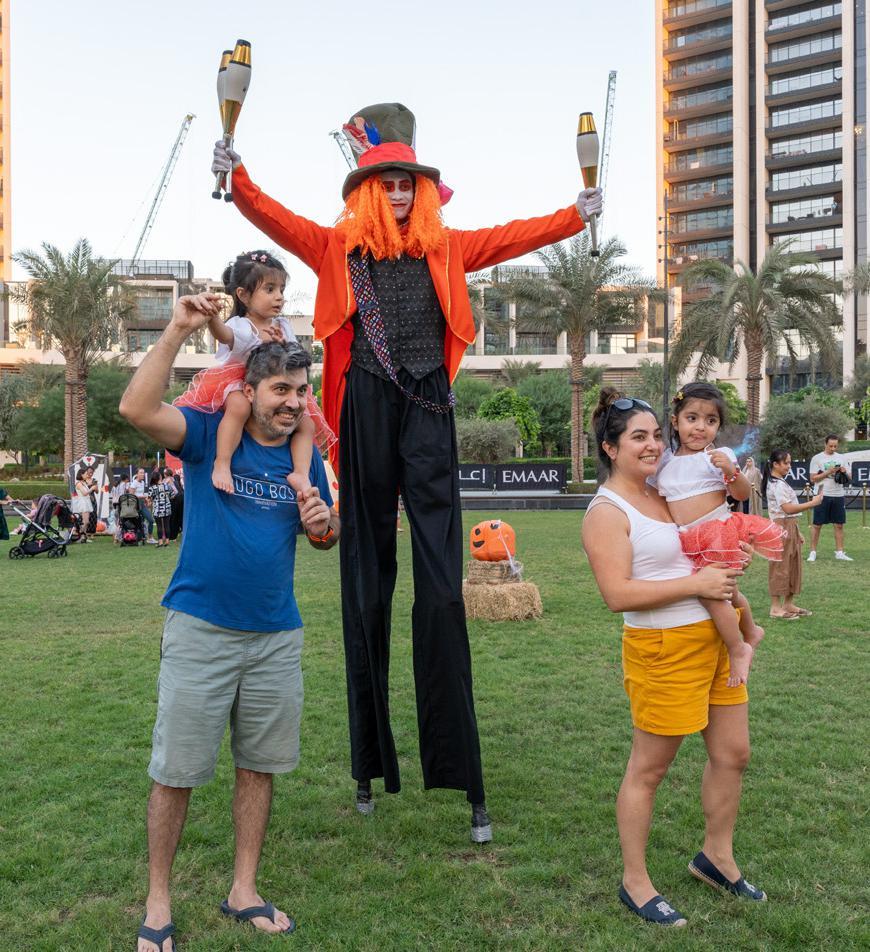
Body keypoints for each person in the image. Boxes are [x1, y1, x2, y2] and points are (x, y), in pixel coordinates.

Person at [212, 101, 603, 840]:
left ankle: (458, 771)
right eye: (384, 182)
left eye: (406, 183)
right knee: (366, 582)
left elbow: (513, 235)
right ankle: (369, 764)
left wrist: (574, 215)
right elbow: (275, 220)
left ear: (421, 192)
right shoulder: (336, 247)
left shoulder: (447, 248)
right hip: (364, 407)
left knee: (442, 587)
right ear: (365, 191)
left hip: (428, 408)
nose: (395, 193)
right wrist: (238, 178)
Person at [120, 293, 338, 952]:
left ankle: (244, 889)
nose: (293, 402)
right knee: (175, 771)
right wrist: (176, 331)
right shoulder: (210, 433)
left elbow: (325, 535)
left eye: (300, 391)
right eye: (280, 389)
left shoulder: (305, 460)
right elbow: (136, 409)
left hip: (276, 635)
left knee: (259, 767)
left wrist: (324, 525)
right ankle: (158, 900)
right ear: (251, 389)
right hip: (202, 629)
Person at [582, 388, 766, 929]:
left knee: (733, 754)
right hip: (663, 649)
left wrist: (730, 556)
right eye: (638, 437)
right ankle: (635, 882)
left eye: (656, 435)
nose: (653, 445)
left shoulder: (663, 491)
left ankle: (716, 857)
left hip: (713, 640)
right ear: (610, 448)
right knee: (650, 769)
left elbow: (703, 539)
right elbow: (616, 594)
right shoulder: (606, 511)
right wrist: (697, 583)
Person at [175, 250, 333, 499]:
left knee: (307, 423)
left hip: (275, 385)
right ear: (243, 295)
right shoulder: (242, 325)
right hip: (238, 382)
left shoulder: (283, 325)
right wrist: (212, 318)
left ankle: (301, 472)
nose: (279, 296)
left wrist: (282, 345)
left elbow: (294, 358)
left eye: (281, 290)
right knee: (239, 407)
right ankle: (222, 462)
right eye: (269, 289)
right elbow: (224, 336)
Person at [651, 383, 781, 686]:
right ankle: (751, 630)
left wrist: (731, 473)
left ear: (718, 426)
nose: (701, 427)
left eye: (711, 421)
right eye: (692, 418)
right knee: (729, 592)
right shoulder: (665, 461)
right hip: (688, 539)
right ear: (675, 422)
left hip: (718, 532)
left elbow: (742, 494)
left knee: (711, 594)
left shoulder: (718, 456)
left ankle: (738, 647)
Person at [763, 449, 824, 619]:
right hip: (780, 528)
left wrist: (797, 531)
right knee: (779, 567)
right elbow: (787, 509)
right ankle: (775, 608)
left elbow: (788, 514)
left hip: (790, 526)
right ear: (775, 464)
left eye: (790, 462)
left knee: (793, 566)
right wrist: (812, 503)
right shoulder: (776, 484)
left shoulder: (781, 482)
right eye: (786, 463)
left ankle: (788, 604)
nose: (789, 466)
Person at [807, 434, 853, 561]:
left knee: (839, 524)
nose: (833, 448)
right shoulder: (817, 458)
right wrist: (828, 472)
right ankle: (813, 552)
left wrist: (844, 472)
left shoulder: (842, 458)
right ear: (825, 444)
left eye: (835, 446)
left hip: (838, 494)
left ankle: (840, 552)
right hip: (822, 494)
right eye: (830, 446)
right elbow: (812, 478)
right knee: (817, 524)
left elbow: (850, 477)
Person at [130, 467, 158, 543]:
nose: (142, 474)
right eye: (141, 473)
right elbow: (131, 496)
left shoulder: (142, 482)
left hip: (142, 504)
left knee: (151, 520)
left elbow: (141, 494)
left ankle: (150, 538)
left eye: (143, 473)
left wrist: (146, 501)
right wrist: (144, 497)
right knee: (139, 523)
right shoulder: (134, 483)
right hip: (135, 506)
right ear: (137, 474)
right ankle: (138, 538)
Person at [148, 471, 173, 547]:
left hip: (157, 509)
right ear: (160, 477)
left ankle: (160, 542)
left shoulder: (152, 488)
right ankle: (167, 541)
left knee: (159, 526)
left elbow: (149, 499)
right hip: (167, 507)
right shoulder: (167, 486)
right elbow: (172, 495)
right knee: (167, 525)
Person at [71, 467, 95, 543]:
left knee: (86, 522)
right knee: (86, 522)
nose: (87, 475)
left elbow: (87, 493)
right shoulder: (78, 484)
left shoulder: (84, 483)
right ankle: (80, 535)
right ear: (81, 474)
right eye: (85, 474)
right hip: (83, 502)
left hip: (87, 502)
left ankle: (83, 537)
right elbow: (84, 493)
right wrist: (92, 488)